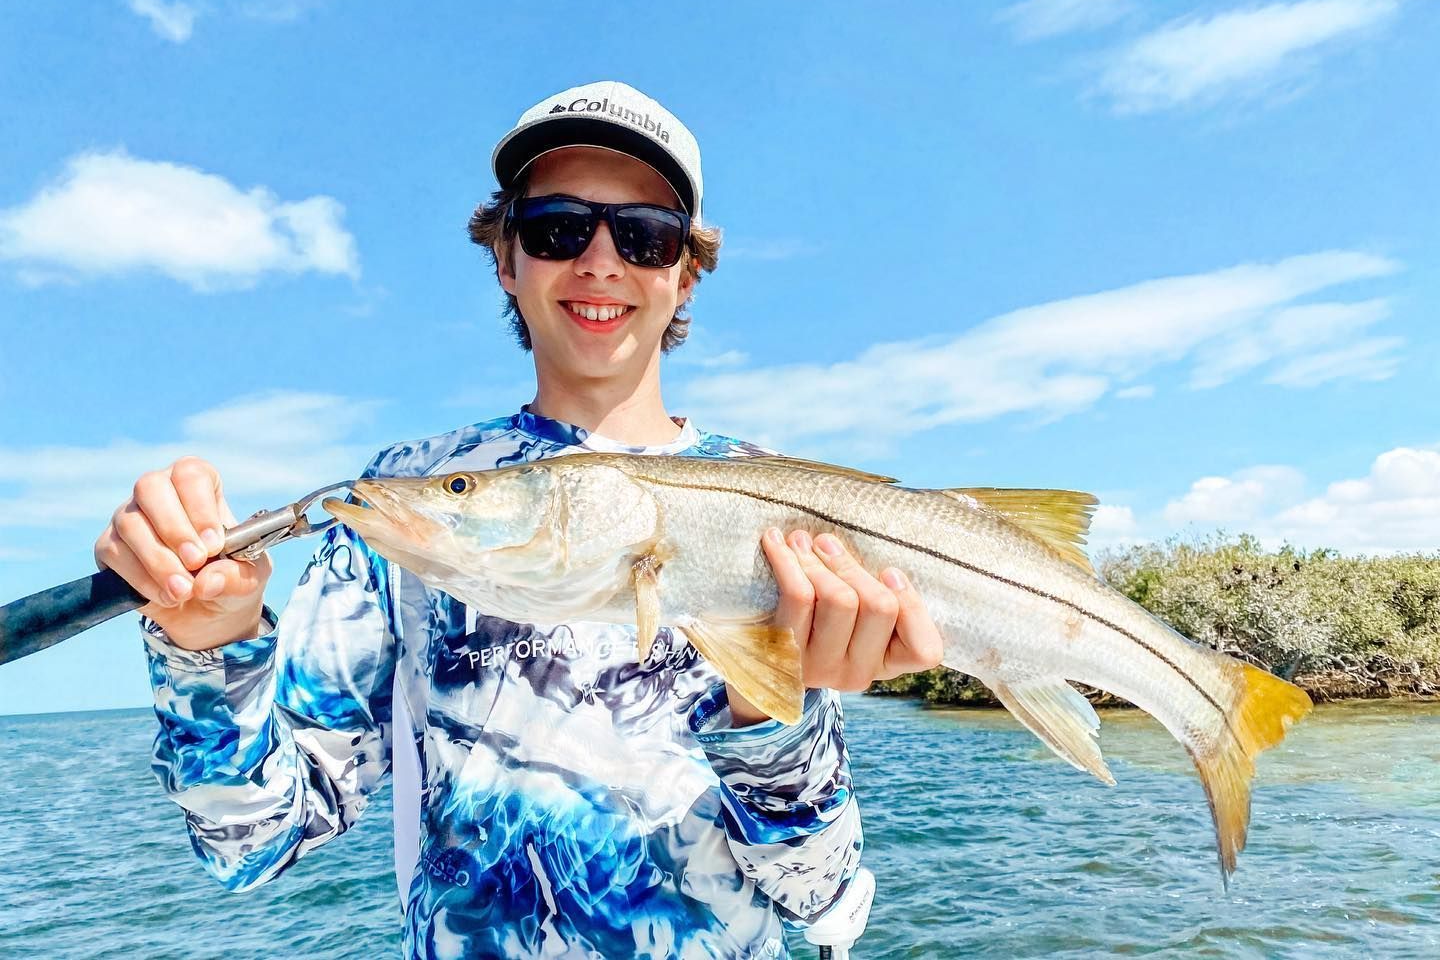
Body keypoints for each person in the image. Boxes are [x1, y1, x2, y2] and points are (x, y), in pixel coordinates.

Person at [95, 80, 944, 959]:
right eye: (557, 228)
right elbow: (251, 842)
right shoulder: (408, 495)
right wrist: (208, 644)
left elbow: (816, 891)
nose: (600, 263)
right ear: (507, 258)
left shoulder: (780, 507)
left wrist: (774, 717)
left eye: (645, 236)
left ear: (685, 274)